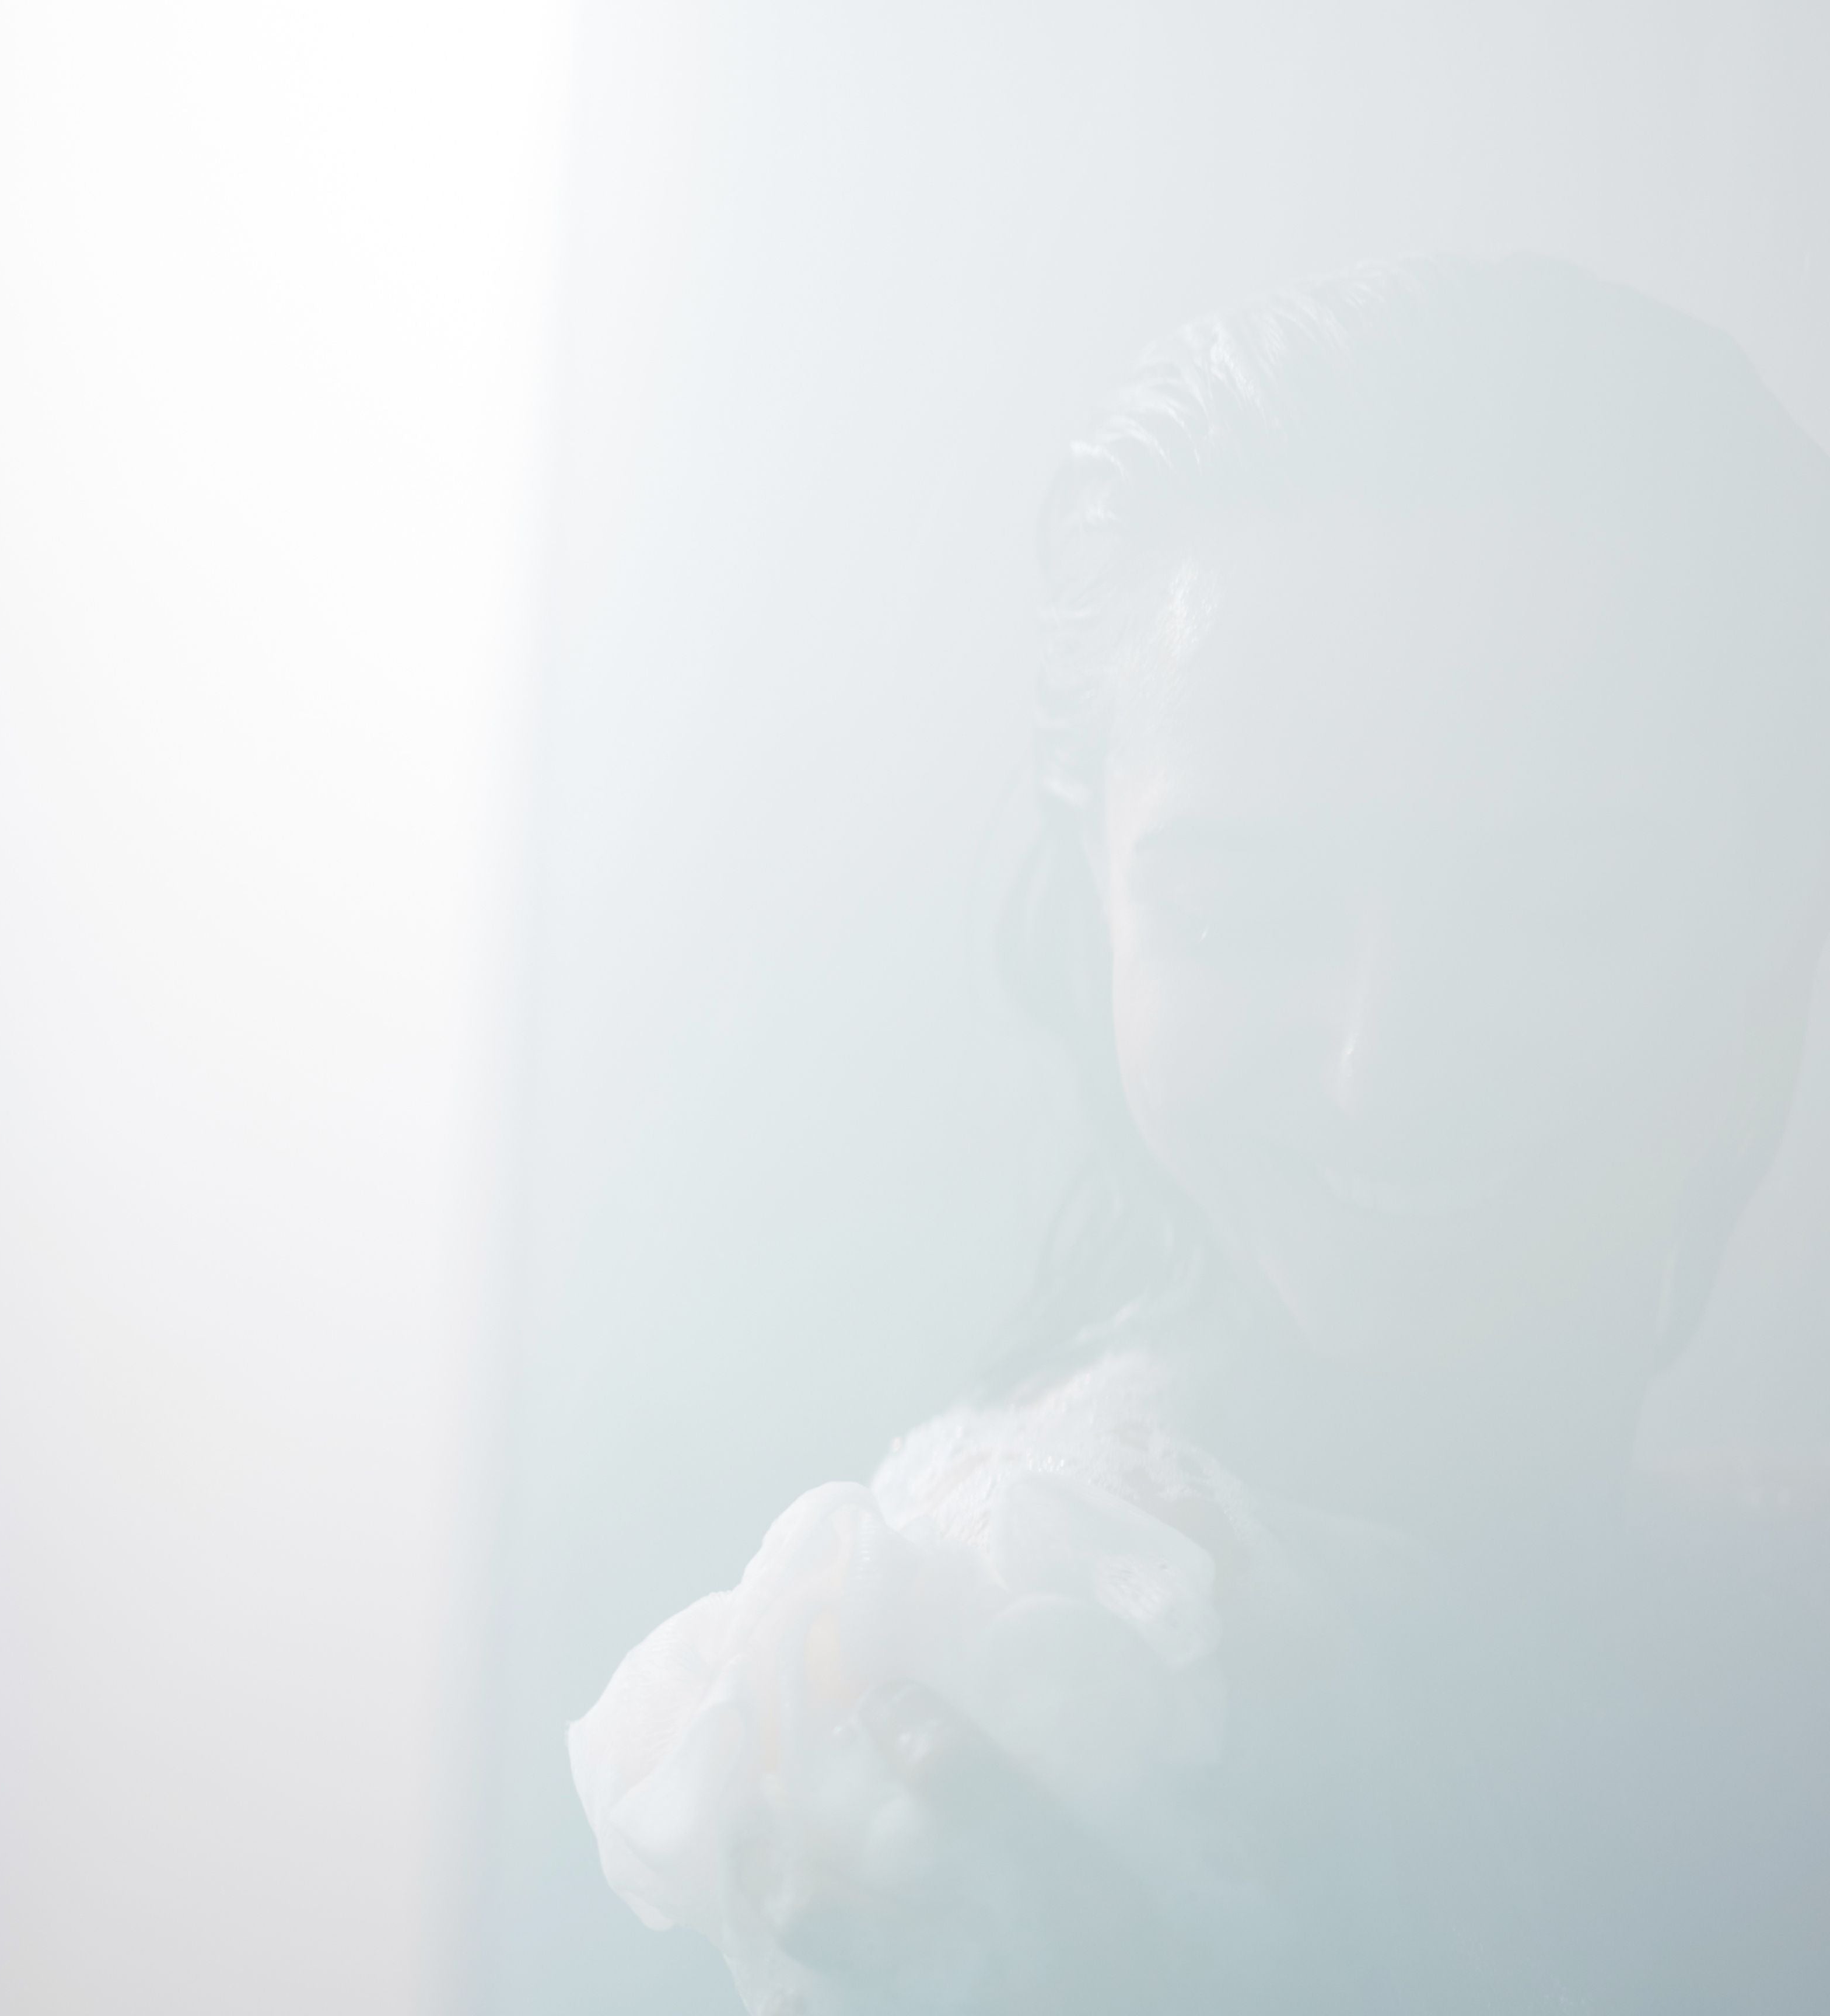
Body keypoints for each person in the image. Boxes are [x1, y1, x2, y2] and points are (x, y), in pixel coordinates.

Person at [571, 257, 1830, 2013]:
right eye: (1240, 911)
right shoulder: (1034, 1684)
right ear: (1096, 903)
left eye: (1560, 900)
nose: (1386, 1073)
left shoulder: (1744, 1594)